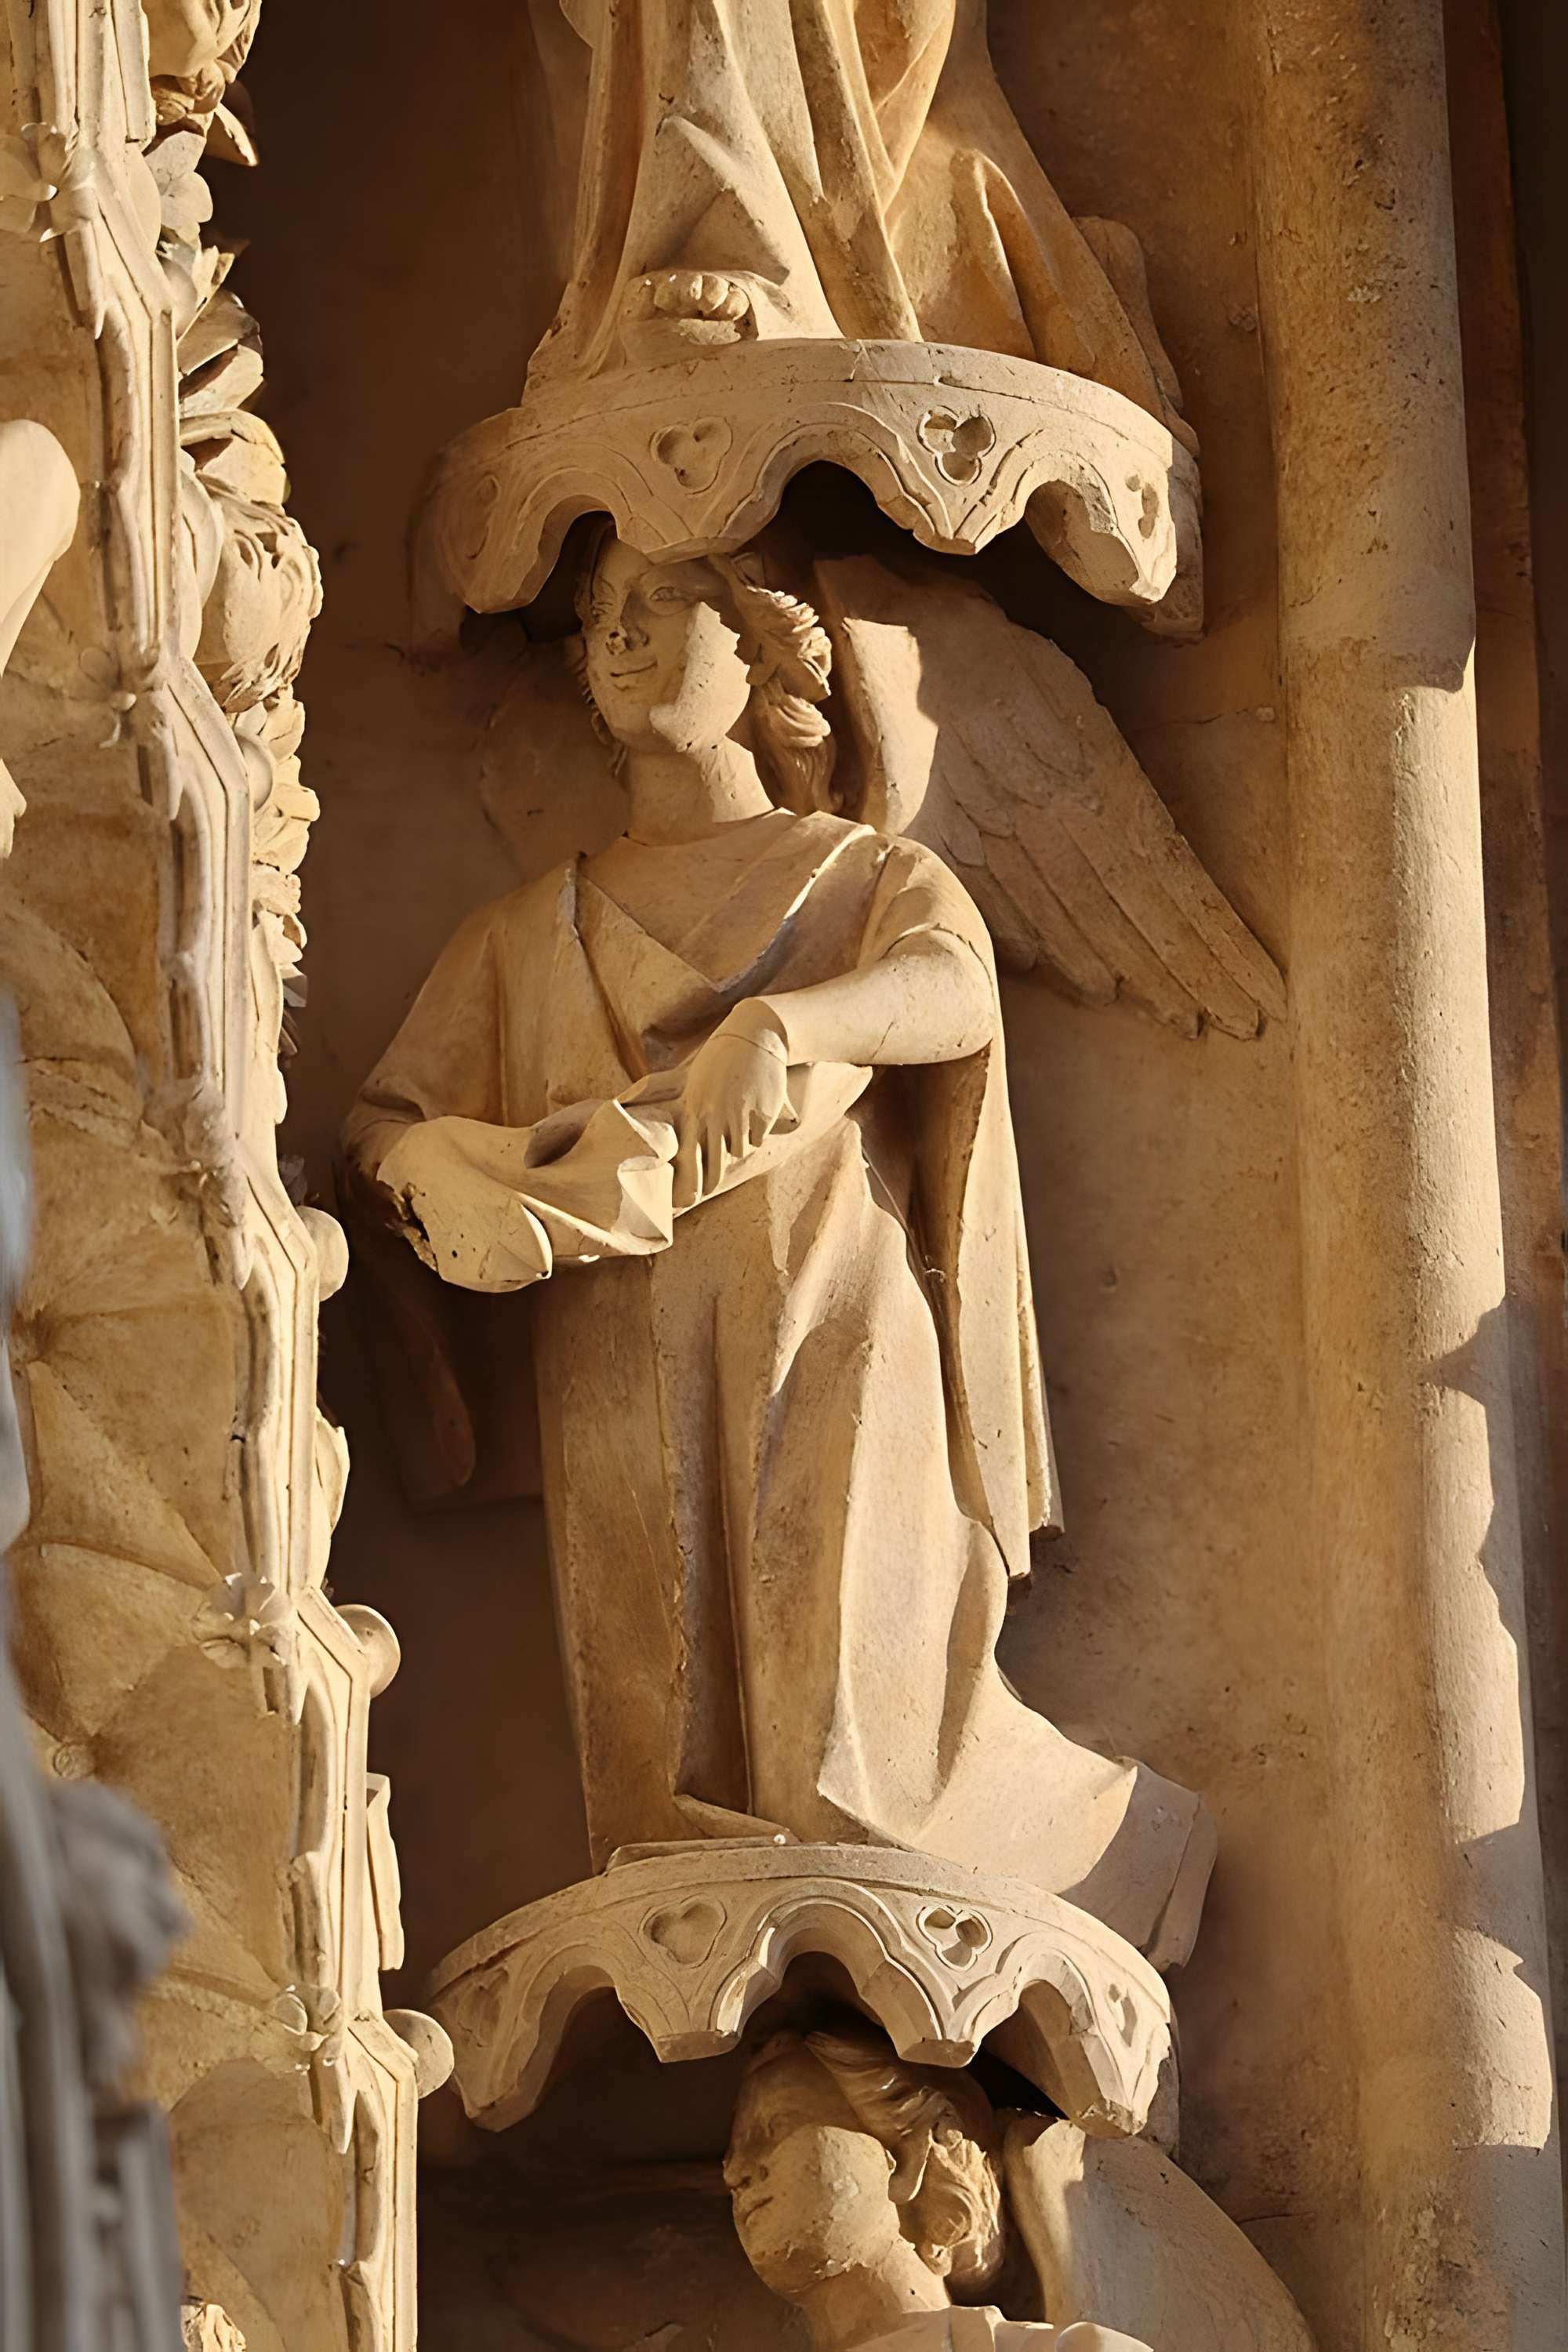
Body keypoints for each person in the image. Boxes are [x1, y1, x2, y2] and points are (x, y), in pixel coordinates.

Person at [344, 528, 1210, 1955]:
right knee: (654, 1704)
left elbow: (951, 988)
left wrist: (781, 1020)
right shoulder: (519, 933)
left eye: (667, 601)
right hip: (614, 1335)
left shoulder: (853, 876)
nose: (622, 636)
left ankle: (1107, 1856)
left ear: (763, 646)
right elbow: (384, 1131)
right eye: (600, 615)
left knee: (851, 1703)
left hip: (833, 1297)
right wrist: (447, 1159)